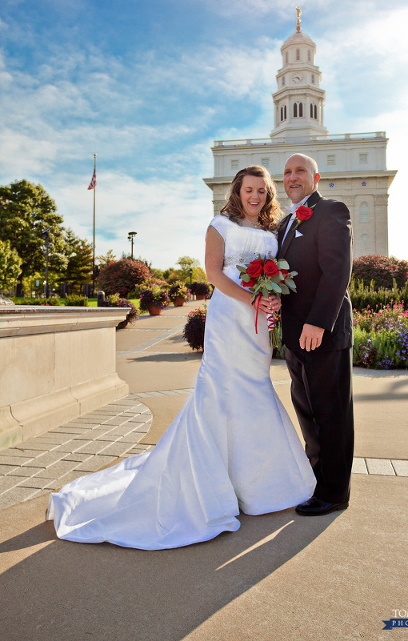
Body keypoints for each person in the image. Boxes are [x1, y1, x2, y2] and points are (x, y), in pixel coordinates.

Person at [46, 165, 315, 550]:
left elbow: (276, 275)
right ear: (237, 192)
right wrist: (253, 298)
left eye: (262, 191)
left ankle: (255, 485)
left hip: (258, 324)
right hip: (231, 317)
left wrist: (272, 297)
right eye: (248, 190)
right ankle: (212, 483)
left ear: (268, 195)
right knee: (223, 392)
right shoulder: (218, 226)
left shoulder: (272, 231)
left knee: (254, 388)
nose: (255, 196)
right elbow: (215, 276)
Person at [279, 153, 354, 516]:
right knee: (308, 412)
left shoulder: (332, 210)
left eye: (300, 171)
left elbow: (338, 271)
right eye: (288, 172)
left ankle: (335, 492)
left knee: (331, 413)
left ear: (316, 177)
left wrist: (319, 322)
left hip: (322, 332)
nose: (293, 177)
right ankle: (316, 478)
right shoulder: (285, 223)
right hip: (294, 335)